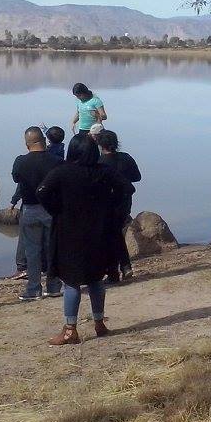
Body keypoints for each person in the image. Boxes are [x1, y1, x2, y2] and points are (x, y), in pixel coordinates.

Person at [37, 134, 134, 345]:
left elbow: (42, 191)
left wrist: (56, 209)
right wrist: (112, 209)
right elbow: (128, 188)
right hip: (99, 231)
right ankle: (99, 324)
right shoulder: (104, 171)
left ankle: (70, 330)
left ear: (72, 150)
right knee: (96, 279)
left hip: (69, 232)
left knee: (71, 281)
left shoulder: (62, 172)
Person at [11, 126, 64, 301]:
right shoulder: (56, 161)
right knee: (53, 249)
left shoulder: (20, 161)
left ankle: (34, 289)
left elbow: (16, 178)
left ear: (27, 143)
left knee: (32, 252)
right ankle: (54, 286)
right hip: (51, 209)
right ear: (43, 140)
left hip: (30, 208)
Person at [97, 130, 142, 280]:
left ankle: (115, 271)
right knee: (116, 233)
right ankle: (123, 267)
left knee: (111, 236)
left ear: (100, 144)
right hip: (125, 201)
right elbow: (137, 177)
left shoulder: (99, 163)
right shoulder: (126, 157)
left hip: (107, 204)